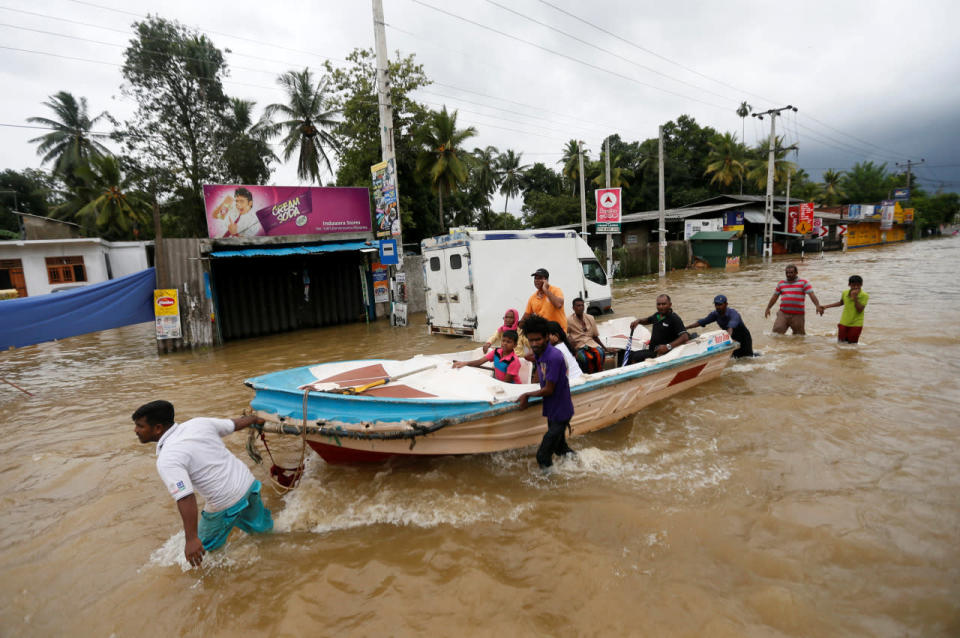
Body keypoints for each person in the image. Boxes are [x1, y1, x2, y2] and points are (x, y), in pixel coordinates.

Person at [132, 400, 273, 567]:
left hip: (224, 501)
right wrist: (253, 419)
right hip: (248, 484)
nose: (136, 431)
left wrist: (191, 539)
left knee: (200, 558)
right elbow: (234, 424)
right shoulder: (198, 423)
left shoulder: (167, 458)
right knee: (263, 533)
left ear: (157, 428)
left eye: (140, 426)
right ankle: (273, 555)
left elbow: (185, 497)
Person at [516, 315, 576, 469]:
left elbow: (549, 390)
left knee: (542, 455)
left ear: (547, 338)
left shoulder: (554, 357)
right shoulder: (540, 353)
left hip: (561, 411)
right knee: (559, 448)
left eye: (538, 340)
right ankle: (579, 465)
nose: (534, 344)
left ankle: (551, 487)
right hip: (552, 409)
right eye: (531, 340)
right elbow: (537, 362)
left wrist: (527, 395)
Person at [626, 294, 690, 364]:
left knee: (633, 356)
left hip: (662, 353)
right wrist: (638, 321)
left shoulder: (674, 318)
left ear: (670, 305)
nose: (661, 307)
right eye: (658, 304)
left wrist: (668, 346)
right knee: (627, 354)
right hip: (652, 350)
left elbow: (685, 336)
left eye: (664, 304)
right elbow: (648, 320)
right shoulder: (657, 315)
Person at [686, 294, 754, 358]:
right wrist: (686, 328)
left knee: (747, 358)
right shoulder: (715, 314)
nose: (718, 307)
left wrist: (727, 339)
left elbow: (730, 328)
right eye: (716, 304)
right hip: (731, 338)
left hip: (743, 338)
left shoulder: (733, 314)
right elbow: (702, 322)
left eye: (720, 304)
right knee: (734, 358)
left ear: (726, 304)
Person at [764, 264, 823, 335]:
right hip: (783, 314)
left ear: (796, 273)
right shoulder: (781, 284)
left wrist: (817, 305)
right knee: (775, 334)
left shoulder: (804, 283)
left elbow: (812, 295)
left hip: (798, 315)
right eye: (787, 273)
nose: (789, 274)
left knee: (799, 337)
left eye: (791, 272)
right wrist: (768, 308)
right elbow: (774, 297)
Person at [453, 330, 523, 383]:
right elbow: (480, 362)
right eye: (503, 340)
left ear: (515, 345)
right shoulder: (496, 351)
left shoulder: (513, 361)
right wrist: (465, 363)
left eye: (508, 342)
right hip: (500, 382)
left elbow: (506, 383)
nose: (504, 343)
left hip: (512, 387)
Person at [818, 275, 869, 343]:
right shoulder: (845, 293)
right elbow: (841, 303)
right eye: (853, 285)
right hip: (843, 322)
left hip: (856, 324)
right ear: (849, 285)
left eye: (858, 285)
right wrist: (825, 307)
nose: (856, 287)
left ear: (861, 285)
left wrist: (855, 298)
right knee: (841, 343)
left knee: (852, 346)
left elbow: (859, 310)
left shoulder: (864, 295)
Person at [521, 268, 566, 332]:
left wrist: (545, 289)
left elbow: (558, 304)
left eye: (539, 278)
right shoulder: (532, 298)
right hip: (544, 333)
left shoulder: (556, 290)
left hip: (558, 332)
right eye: (535, 278)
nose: (536, 280)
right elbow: (525, 317)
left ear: (546, 280)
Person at [567, 297, 605, 373]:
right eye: (578, 306)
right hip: (579, 345)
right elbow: (566, 335)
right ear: (573, 308)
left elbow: (595, 336)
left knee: (601, 353)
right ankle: (586, 374)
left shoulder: (590, 318)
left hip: (591, 343)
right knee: (583, 358)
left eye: (582, 305)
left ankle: (599, 372)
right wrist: (571, 346)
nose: (581, 308)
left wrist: (605, 348)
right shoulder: (568, 320)